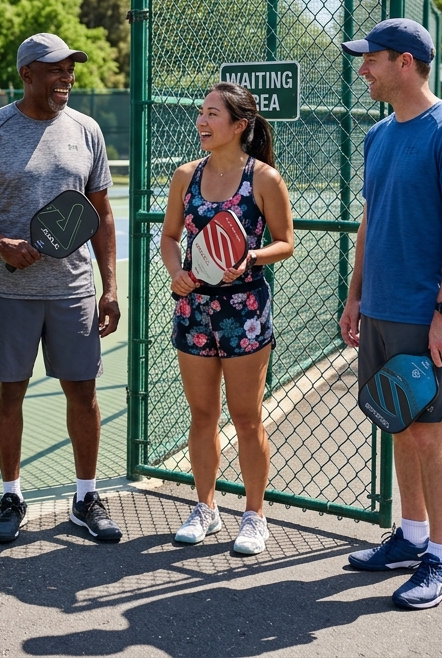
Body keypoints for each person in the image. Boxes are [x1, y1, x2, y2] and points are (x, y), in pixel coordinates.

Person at [0, 33, 123, 544]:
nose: (67, 76)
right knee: (10, 393)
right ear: (27, 74)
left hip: (73, 290)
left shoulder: (87, 131)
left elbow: (102, 216)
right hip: (9, 290)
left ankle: (85, 496)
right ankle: (11, 495)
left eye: (71, 68)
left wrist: (109, 287)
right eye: (55, 69)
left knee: (83, 393)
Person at [338, 18, 442, 610]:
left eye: (369, 59)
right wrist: (354, 296)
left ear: (403, 62)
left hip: (428, 314)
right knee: (398, 424)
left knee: (430, 435)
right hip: (379, 308)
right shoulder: (380, 136)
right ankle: (411, 537)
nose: (362, 68)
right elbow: (370, 222)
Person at [159, 82, 294, 555]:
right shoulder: (184, 175)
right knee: (202, 415)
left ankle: (255, 516)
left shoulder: (264, 179)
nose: (202, 120)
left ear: (239, 125)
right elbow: (171, 237)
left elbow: (286, 242)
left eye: (213, 114)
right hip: (193, 310)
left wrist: (251, 257)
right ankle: (206, 508)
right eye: (201, 111)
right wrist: (176, 272)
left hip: (246, 313)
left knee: (246, 416)